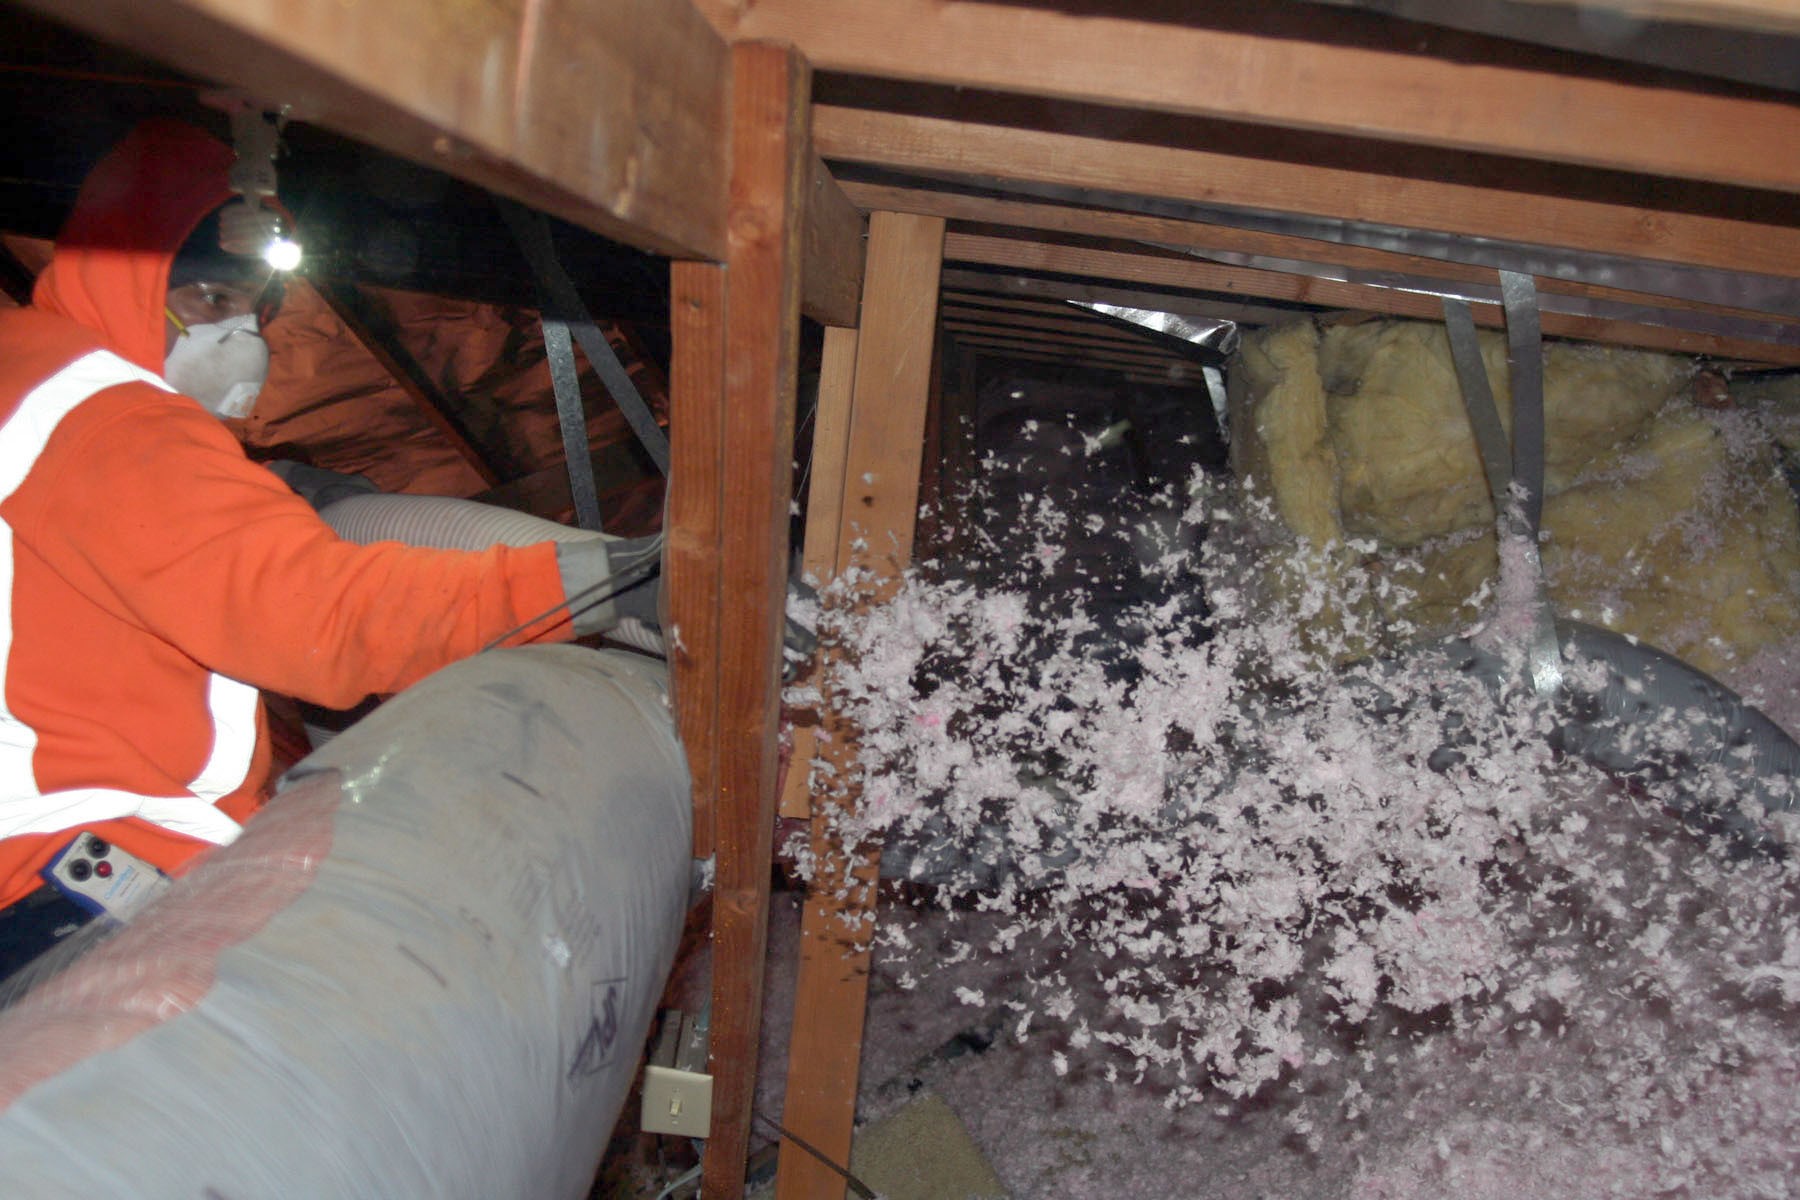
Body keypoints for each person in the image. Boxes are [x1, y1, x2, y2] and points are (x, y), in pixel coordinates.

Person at [0, 119, 655, 977]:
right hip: (71, 884)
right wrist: (607, 583)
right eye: (208, 300)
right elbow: (321, 617)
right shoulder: (108, 419)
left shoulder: (28, 375)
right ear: (129, 275)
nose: (245, 339)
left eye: (254, 309)